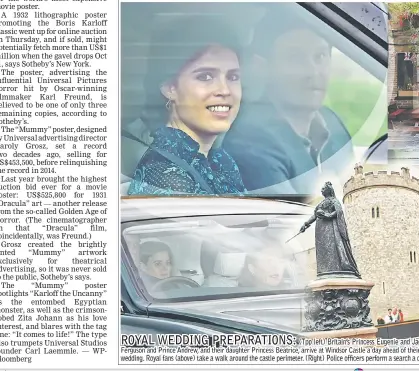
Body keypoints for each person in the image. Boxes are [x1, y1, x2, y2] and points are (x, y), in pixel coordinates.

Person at [223, 11, 353, 195]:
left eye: (320, 56)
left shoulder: (332, 123)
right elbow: (294, 221)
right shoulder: (250, 143)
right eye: (295, 58)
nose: (313, 72)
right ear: (263, 67)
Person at [127, 16, 247, 196]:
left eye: (233, 77)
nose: (225, 90)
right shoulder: (167, 175)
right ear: (169, 88)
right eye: (205, 77)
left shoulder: (220, 161)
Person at [299, 182, 361, 278]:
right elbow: (314, 215)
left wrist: (328, 215)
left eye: (323, 188)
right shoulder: (320, 203)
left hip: (331, 228)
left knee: (332, 247)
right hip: (320, 230)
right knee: (323, 248)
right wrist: (305, 224)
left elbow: (339, 211)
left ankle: (336, 268)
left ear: (329, 190)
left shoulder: (334, 201)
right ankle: (326, 269)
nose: (322, 190)